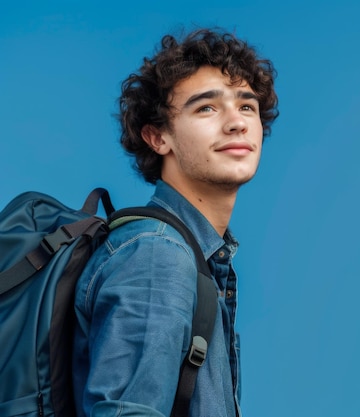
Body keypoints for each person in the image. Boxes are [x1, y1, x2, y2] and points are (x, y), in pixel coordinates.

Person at [72, 27, 279, 417]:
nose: (237, 123)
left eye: (247, 106)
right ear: (157, 137)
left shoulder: (198, 257)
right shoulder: (157, 256)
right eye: (207, 108)